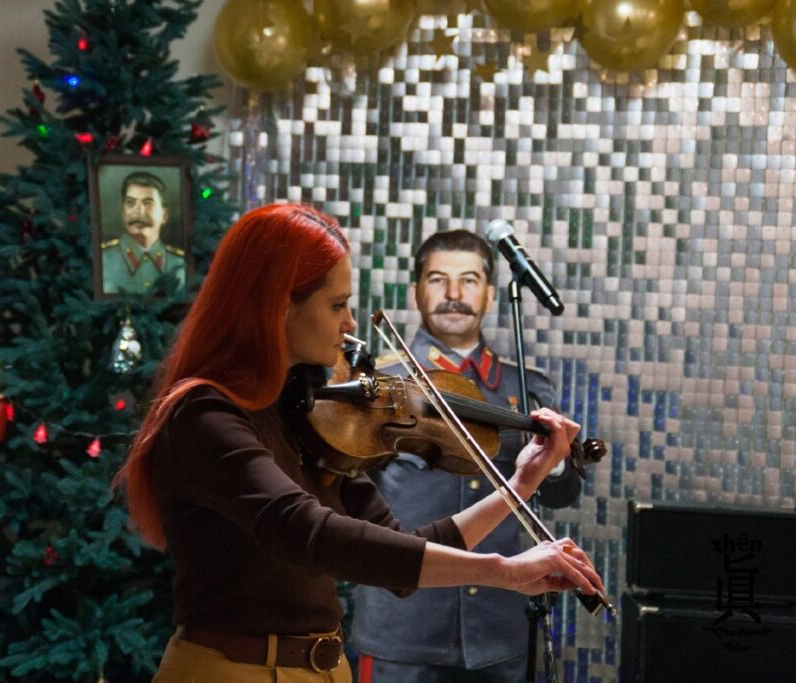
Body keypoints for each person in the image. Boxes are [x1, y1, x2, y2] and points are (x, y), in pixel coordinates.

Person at [113, 205, 603, 683]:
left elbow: (403, 553)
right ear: (277, 305)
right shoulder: (204, 414)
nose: (349, 324)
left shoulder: (302, 415)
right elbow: (309, 533)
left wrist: (521, 483)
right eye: (337, 305)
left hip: (324, 671)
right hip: (231, 672)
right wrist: (504, 571)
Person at [351, 229, 583, 683]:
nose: (454, 294)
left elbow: (562, 496)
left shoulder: (526, 387)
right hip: (403, 628)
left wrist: (555, 459)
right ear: (416, 292)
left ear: (491, 295)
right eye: (438, 280)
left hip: (500, 631)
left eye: (469, 281)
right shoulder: (379, 384)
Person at [101, 171, 186, 294]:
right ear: (122, 212)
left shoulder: (180, 263)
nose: (138, 211)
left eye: (147, 203)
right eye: (130, 203)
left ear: (164, 215)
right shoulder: (103, 259)